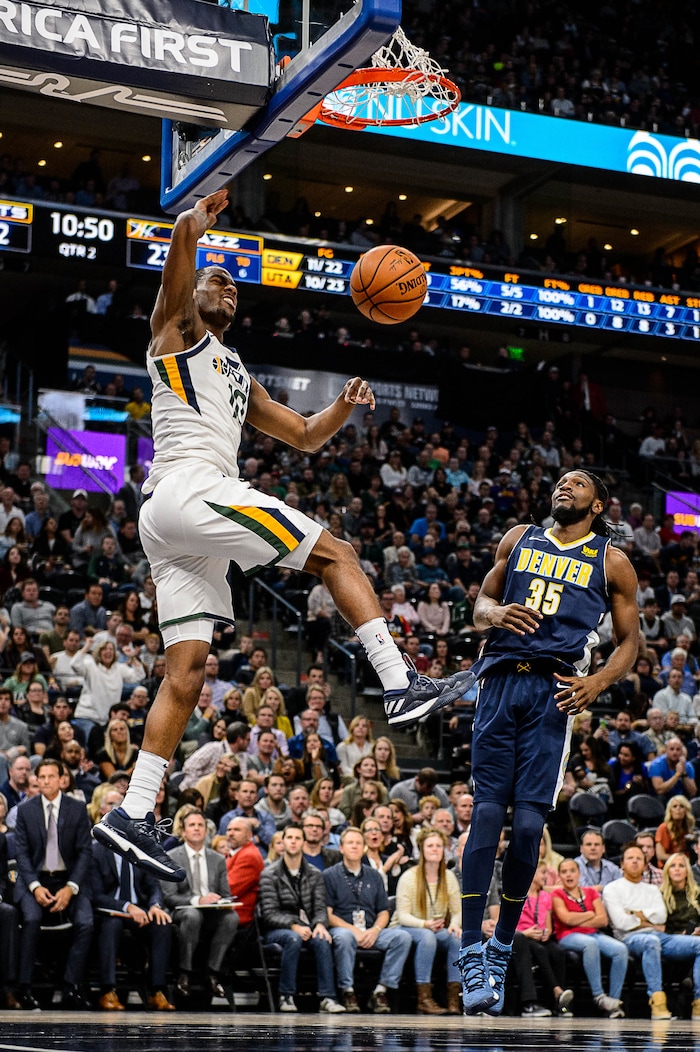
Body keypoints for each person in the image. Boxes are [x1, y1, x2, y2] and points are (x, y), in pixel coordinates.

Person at [94, 189, 472, 882]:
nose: (229, 291)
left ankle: (133, 812)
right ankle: (398, 681)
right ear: (194, 291)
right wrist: (194, 224)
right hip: (190, 488)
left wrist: (342, 407)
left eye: (236, 291)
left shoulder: (237, 371)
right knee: (338, 552)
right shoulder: (175, 333)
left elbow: (299, 436)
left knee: (187, 673)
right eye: (220, 280)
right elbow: (180, 243)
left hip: (176, 525)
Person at [457, 470, 639, 1015]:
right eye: (560, 481)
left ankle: (503, 943)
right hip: (499, 681)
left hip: (555, 692)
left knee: (531, 825)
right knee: (487, 815)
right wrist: (493, 613)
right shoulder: (518, 538)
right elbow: (480, 604)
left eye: (578, 483)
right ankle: (472, 951)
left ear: (597, 502)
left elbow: (631, 642)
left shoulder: (611, 560)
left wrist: (598, 682)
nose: (565, 486)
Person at [13, 758, 94, 1010]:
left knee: (86, 921)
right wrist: (35, 887)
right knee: (31, 918)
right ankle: (24, 988)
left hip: (68, 880)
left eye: (51, 776)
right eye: (42, 777)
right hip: (34, 880)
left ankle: (71, 986)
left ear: (62, 779)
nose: (46, 781)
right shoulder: (26, 810)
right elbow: (22, 854)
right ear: (36, 780)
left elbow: (84, 852)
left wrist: (71, 888)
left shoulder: (78, 808)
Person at [603, 841, 700, 1020]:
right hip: (628, 939)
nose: (634, 862)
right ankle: (657, 1001)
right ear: (622, 864)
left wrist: (633, 913)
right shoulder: (612, 889)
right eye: (630, 858)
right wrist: (648, 919)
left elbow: (661, 918)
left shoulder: (652, 889)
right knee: (651, 942)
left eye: (639, 858)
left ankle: (699, 1002)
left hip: (661, 936)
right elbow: (622, 923)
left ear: (645, 863)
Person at [324, 826, 412, 1013]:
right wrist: (354, 930)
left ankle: (380, 991)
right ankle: (348, 991)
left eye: (358, 843)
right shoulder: (329, 875)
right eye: (350, 843)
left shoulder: (374, 875)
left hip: (371, 930)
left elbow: (383, 912)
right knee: (345, 937)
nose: (354, 847)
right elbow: (328, 914)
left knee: (402, 938)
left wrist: (375, 930)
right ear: (341, 848)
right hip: (343, 928)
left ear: (364, 847)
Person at [259, 823, 345, 1013]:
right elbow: (269, 914)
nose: (293, 842)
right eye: (289, 838)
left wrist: (321, 925)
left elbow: (320, 908)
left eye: (297, 838)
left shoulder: (314, 874)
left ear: (303, 843)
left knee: (322, 938)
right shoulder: (269, 874)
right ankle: (286, 995)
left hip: (307, 926)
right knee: (293, 938)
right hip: (278, 930)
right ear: (283, 841)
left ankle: (328, 997)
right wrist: (294, 925)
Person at [91, 828, 175, 1011]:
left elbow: (154, 886)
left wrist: (155, 906)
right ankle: (108, 990)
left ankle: (156, 990)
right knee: (111, 925)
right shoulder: (95, 851)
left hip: (141, 910)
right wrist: (126, 907)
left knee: (162, 923)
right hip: (109, 910)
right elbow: (95, 895)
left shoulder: (140, 850)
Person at [160, 809, 239, 999]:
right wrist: (197, 901)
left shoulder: (218, 859)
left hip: (211, 912)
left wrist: (219, 901)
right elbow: (169, 896)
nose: (196, 829)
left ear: (206, 830)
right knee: (193, 915)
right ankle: (184, 973)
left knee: (231, 918)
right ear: (184, 831)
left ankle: (213, 972)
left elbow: (226, 894)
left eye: (200, 825)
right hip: (182, 910)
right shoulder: (171, 856)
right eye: (192, 825)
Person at [393, 827, 462, 1015]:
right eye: (430, 845)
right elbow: (403, 915)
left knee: (456, 938)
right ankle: (424, 999)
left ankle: (454, 999)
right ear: (421, 849)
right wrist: (425, 924)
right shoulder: (409, 877)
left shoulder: (448, 877)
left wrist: (455, 924)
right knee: (427, 936)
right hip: (408, 929)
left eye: (439, 846)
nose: (435, 849)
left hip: (435, 929)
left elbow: (457, 910)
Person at [551, 857, 627, 1018]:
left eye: (572, 870)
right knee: (590, 944)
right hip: (567, 935)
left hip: (593, 933)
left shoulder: (591, 892)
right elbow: (566, 919)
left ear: (579, 873)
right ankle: (599, 996)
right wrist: (589, 914)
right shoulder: (557, 893)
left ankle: (613, 1001)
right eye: (564, 872)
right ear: (559, 876)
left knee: (620, 949)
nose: (568, 875)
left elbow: (602, 920)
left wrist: (578, 917)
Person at [224, 816, 264, 926]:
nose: (231, 833)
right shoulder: (234, 853)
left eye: (237, 830)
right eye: (229, 830)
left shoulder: (249, 855)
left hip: (238, 916)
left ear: (249, 835)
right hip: (226, 912)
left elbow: (229, 890)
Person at [655, 795, 695, 862]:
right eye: (674, 806)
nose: (678, 809)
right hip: (667, 867)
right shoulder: (663, 828)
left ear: (686, 810)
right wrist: (680, 859)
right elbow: (660, 855)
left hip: (687, 866)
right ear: (670, 810)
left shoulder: (689, 829)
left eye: (681, 806)